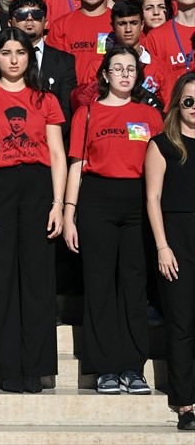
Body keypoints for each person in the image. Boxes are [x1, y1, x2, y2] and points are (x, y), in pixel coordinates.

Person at [62, 46, 161, 394]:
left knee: (134, 287)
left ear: (137, 76)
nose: (123, 74)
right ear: (105, 74)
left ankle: (133, 367)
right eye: (116, 68)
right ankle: (104, 368)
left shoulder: (149, 115)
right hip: (96, 201)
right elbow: (75, 164)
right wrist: (69, 213)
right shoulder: (87, 114)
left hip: (137, 201)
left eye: (130, 69)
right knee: (100, 285)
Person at [0, 28, 67, 393]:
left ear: (31, 57)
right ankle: (6, 370)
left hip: (37, 187)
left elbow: (58, 154)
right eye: (5, 51)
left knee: (37, 281)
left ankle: (36, 369)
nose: (13, 59)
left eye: (21, 52)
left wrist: (59, 204)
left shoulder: (45, 99)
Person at [144, 72, 195, 430]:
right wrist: (163, 247)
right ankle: (185, 404)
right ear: (178, 104)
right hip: (176, 240)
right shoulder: (161, 144)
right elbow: (153, 199)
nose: (194, 108)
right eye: (189, 101)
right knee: (181, 324)